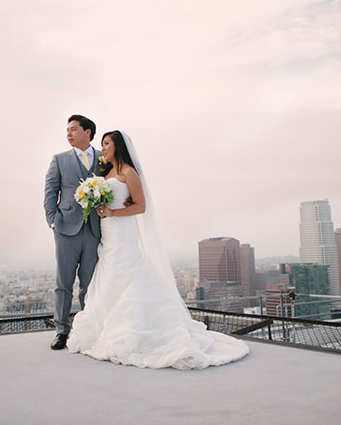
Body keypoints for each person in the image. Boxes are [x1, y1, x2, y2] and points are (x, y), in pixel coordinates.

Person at [67, 130, 249, 369]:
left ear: (119, 146)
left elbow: (140, 206)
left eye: (107, 143)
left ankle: (135, 333)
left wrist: (113, 212)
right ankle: (104, 329)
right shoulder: (107, 172)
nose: (104, 148)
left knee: (129, 273)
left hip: (123, 233)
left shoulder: (129, 173)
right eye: (102, 144)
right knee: (108, 275)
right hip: (108, 235)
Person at [43, 115, 102, 350]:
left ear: (87, 132)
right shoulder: (59, 160)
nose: (68, 134)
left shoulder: (103, 159)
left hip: (95, 229)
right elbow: (50, 192)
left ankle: (87, 330)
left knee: (90, 283)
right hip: (66, 227)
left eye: (73, 129)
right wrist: (53, 221)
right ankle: (61, 331)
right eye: (67, 130)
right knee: (64, 283)